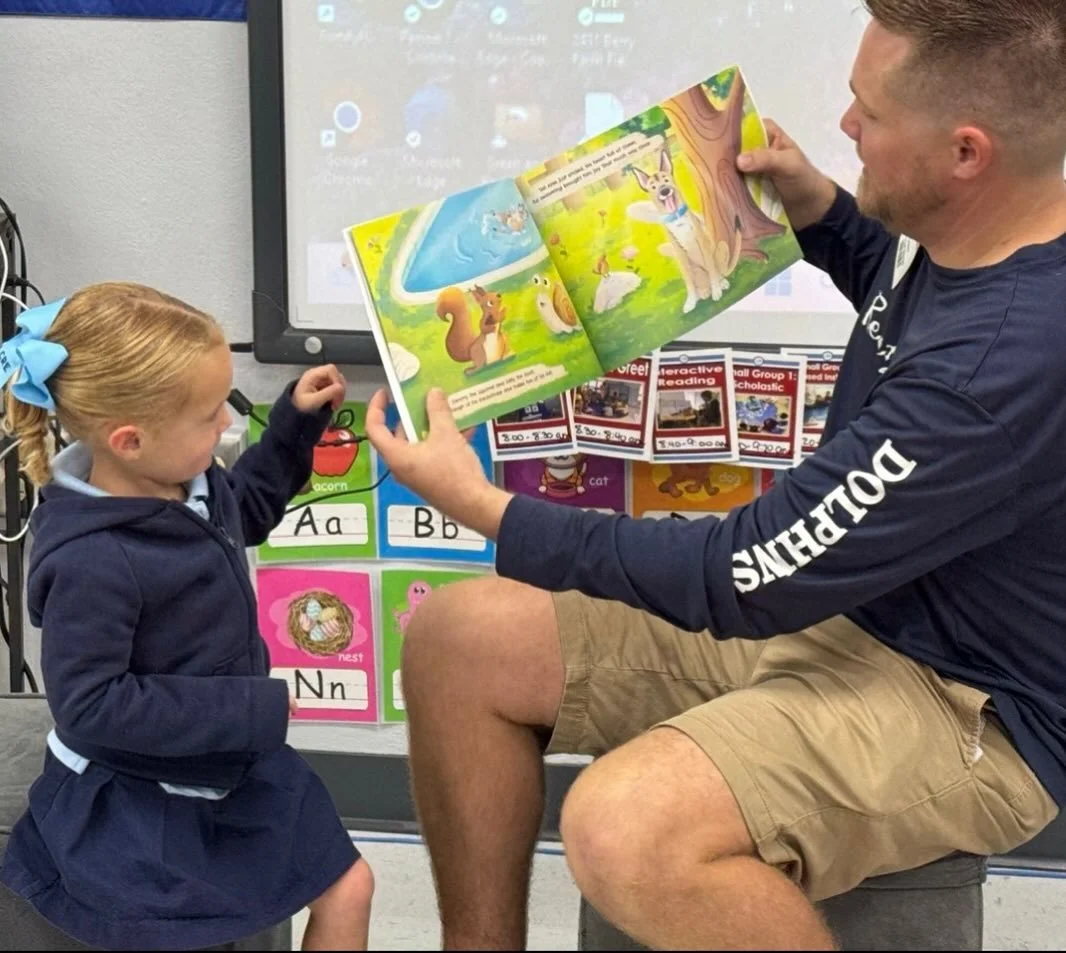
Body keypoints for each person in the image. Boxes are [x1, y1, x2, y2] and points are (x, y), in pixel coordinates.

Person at [366, 1, 1066, 949]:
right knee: (457, 640)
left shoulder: (999, 367)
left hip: (965, 700)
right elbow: (903, 300)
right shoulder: (986, 229)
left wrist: (484, 506)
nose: (847, 124)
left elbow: (736, 576)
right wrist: (824, 218)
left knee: (624, 827)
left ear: (967, 153)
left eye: (869, 113)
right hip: (856, 607)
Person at [0, 283, 373, 951]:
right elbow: (90, 704)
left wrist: (293, 424)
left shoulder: (184, 481)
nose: (225, 428)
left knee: (350, 885)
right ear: (130, 439)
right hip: (143, 800)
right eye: (209, 418)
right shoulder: (93, 560)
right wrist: (242, 712)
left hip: (228, 764)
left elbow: (248, 505)